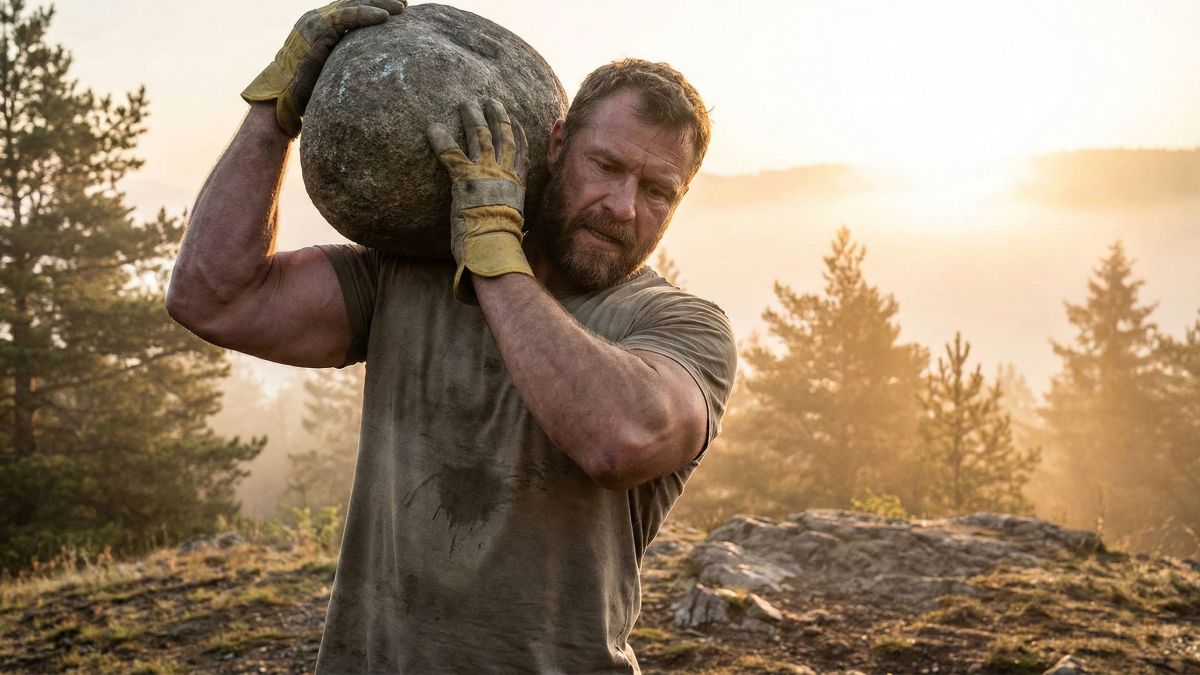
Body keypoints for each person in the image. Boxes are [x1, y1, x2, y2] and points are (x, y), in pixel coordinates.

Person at [166, 1, 736, 672]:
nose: (623, 205)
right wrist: (275, 109)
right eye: (606, 165)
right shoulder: (412, 273)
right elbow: (213, 296)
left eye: (658, 191)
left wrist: (494, 254)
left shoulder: (680, 327)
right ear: (555, 145)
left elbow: (620, 440)